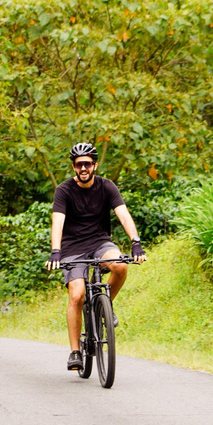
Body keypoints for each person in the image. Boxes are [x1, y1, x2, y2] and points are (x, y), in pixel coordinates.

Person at [46, 142, 147, 371]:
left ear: (95, 165)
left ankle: (105, 307)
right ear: (74, 167)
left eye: (87, 164)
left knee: (120, 266)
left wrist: (136, 243)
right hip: (72, 248)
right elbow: (58, 222)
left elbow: (123, 215)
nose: (83, 168)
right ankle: (75, 352)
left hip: (100, 243)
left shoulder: (107, 186)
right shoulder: (64, 190)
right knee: (77, 295)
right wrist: (56, 251)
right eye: (79, 164)